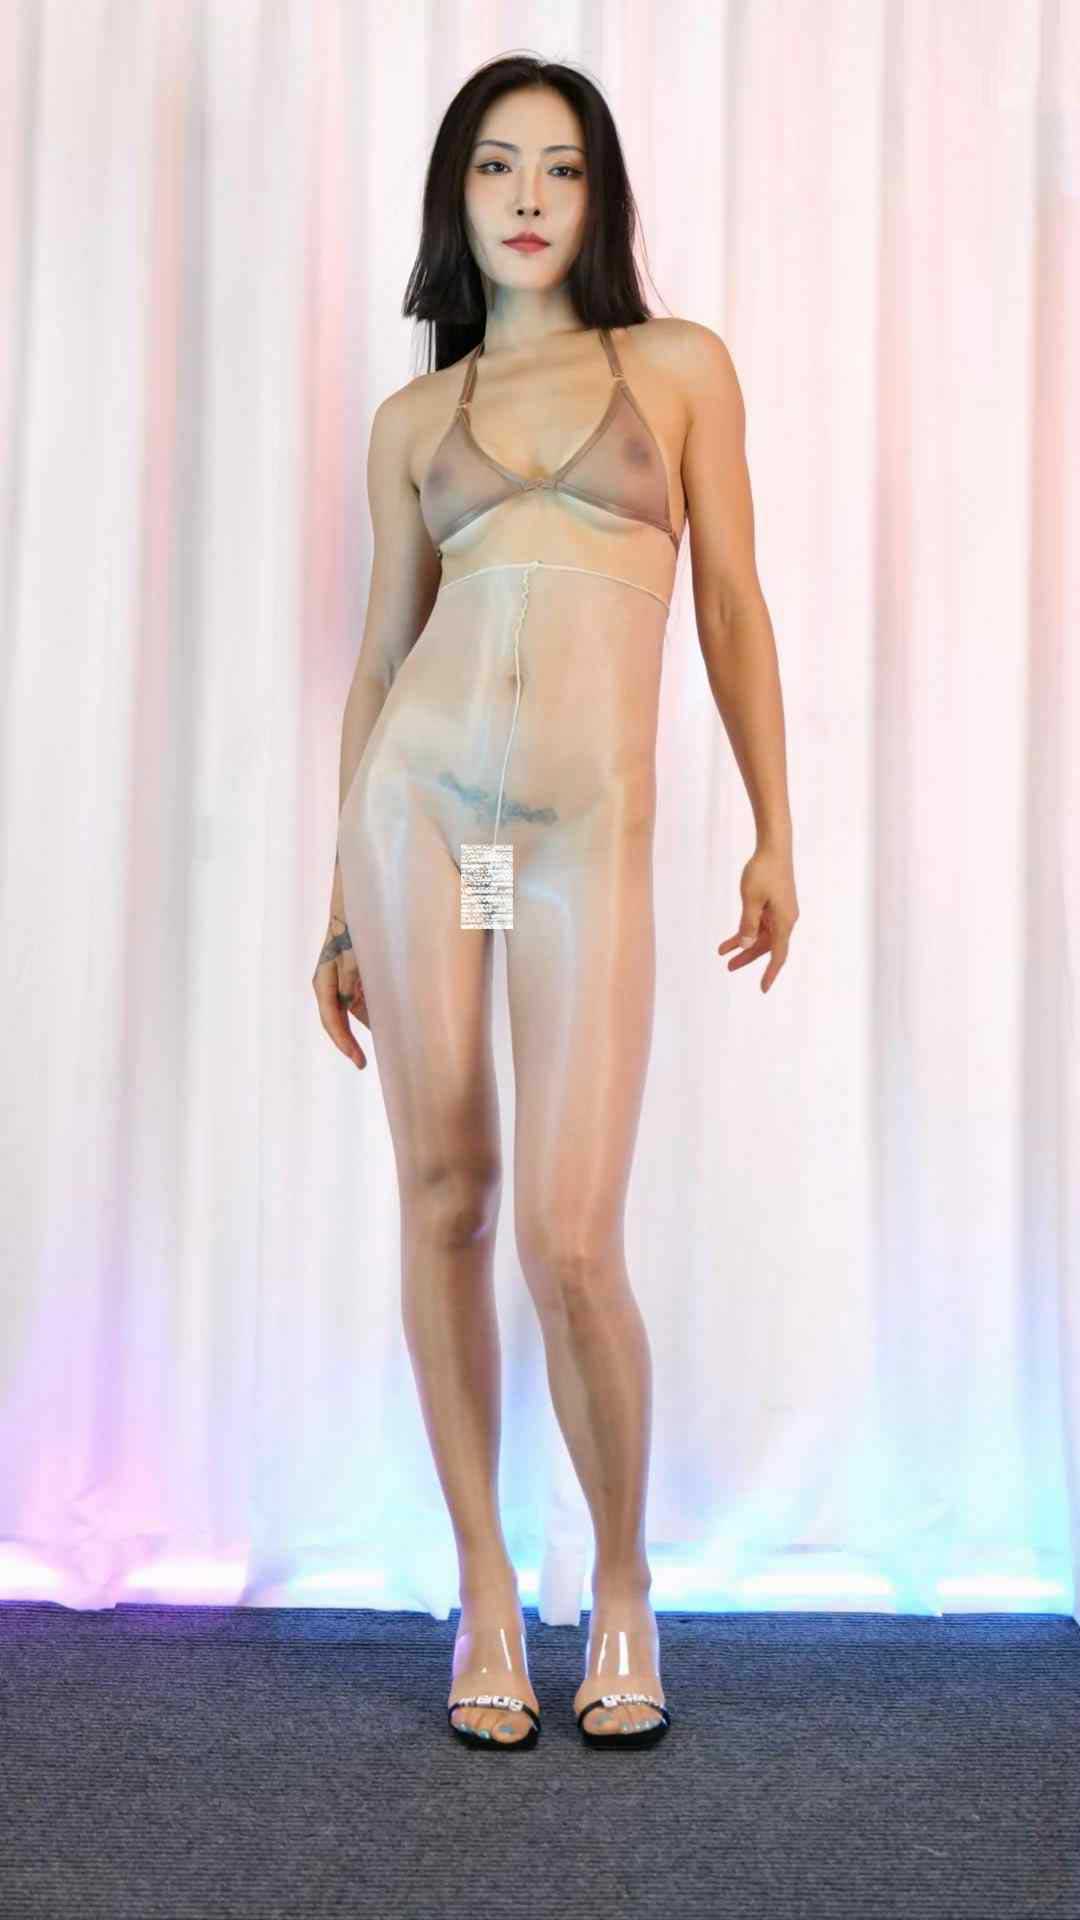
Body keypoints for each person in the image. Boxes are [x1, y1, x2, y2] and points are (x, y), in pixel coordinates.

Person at [312, 53, 798, 1751]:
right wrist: (338, 899)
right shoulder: (414, 422)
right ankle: (485, 1590)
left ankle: (624, 1581)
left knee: (571, 1237)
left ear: (601, 199)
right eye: (498, 167)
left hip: (580, 835)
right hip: (430, 822)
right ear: (456, 197)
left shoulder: (676, 369)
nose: (530, 197)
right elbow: (381, 656)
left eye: (564, 168)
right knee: (447, 1190)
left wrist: (775, 830)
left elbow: (729, 603)